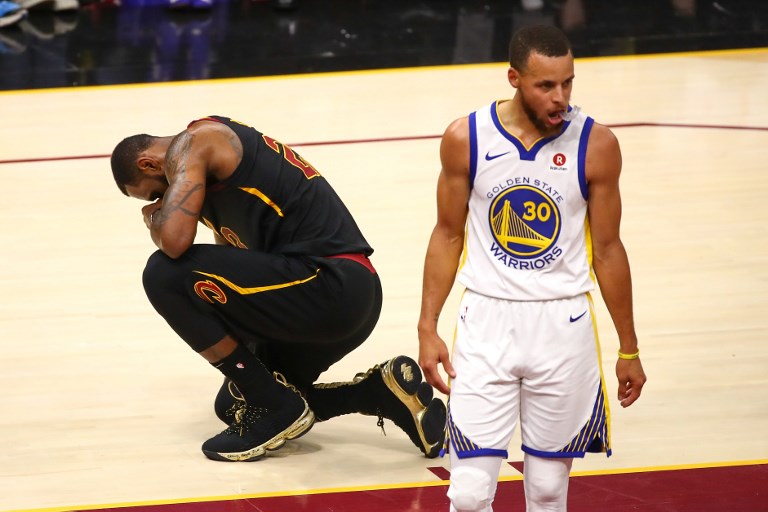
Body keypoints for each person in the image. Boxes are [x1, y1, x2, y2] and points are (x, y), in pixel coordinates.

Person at [110, 115, 446, 462]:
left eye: (155, 194)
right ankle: (375, 394)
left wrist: (154, 222)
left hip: (329, 284)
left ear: (148, 163)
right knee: (234, 402)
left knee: (163, 273)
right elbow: (230, 269)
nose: (161, 202)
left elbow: (175, 241)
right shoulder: (210, 189)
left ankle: (273, 403)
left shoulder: (198, 141)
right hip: (335, 296)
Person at [417, 25, 646, 511]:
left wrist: (629, 346)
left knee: (545, 491)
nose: (560, 97)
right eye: (546, 85)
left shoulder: (597, 144)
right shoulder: (467, 137)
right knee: (469, 492)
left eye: (568, 82)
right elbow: (447, 234)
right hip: (486, 321)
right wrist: (427, 325)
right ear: (514, 78)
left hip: (562, 326)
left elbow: (608, 250)